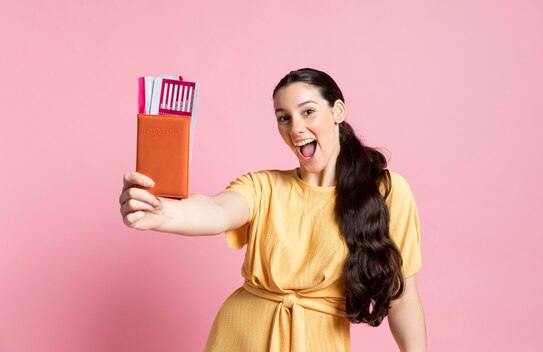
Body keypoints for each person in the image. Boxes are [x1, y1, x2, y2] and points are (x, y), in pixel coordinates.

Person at [119, 68, 427, 351]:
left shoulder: (386, 191)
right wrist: (164, 213)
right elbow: (218, 209)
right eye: (284, 117)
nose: (296, 128)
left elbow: (402, 297)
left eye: (308, 112)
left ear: (338, 111)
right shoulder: (263, 186)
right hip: (241, 336)